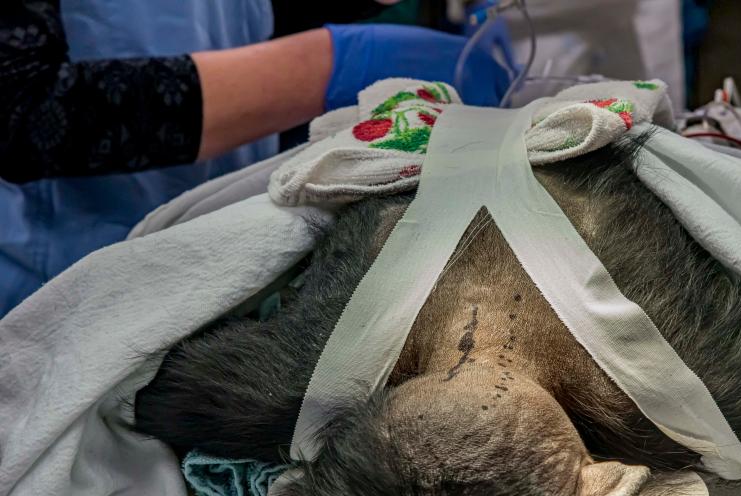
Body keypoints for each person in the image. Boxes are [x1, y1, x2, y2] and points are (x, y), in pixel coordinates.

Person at [0, 0, 511, 316]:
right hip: (58, 276)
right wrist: (327, 65)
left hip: (212, 253)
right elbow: (23, 110)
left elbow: (208, 17)